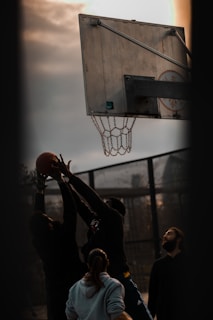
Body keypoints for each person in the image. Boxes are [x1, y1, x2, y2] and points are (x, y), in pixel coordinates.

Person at [56, 154, 153, 320]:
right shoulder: (96, 222)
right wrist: (61, 181)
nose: (103, 204)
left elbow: (92, 200)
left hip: (120, 279)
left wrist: (71, 177)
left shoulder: (114, 220)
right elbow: (80, 205)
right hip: (99, 280)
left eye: (107, 204)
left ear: (115, 211)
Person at [29, 169, 87, 320]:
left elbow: (38, 217)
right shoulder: (64, 236)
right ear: (49, 225)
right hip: (74, 286)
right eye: (48, 218)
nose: (49, 217)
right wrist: (61, 181)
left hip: (54, 291)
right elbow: (70, 210)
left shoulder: (39, 241)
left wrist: (40, 190)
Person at [65, 247, 133, 320]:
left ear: (88, 265)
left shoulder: (74, 288)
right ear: (107, 263)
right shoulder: (113, 285)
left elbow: (70, 315)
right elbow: (116, 314)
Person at [147, 226, 188, 320]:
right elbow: (153, 294)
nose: (164, 236)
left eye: (169, 233)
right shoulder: (158, 265)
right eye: (164, 234)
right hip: (165, 314)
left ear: (179, 239)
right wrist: (150, 316)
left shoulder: (189, 262)